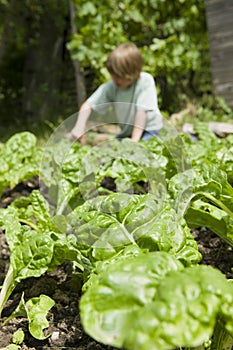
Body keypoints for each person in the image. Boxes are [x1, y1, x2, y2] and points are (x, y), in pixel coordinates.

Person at [69, 43, 163, 143]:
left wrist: (134, 141)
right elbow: (88, 105)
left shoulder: (145, 81)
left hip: (149, 129)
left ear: (132, 73)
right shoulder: (112, 86)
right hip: (127, 131)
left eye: (119, 77)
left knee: (145, 148)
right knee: (112, 150)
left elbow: (141, 114)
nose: (115, 80)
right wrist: (79, 127)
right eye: (113, 75)